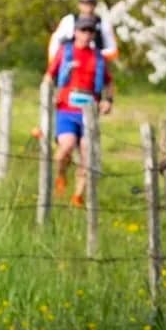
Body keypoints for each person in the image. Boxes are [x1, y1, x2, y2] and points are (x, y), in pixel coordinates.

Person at [46, 14, 113, 207]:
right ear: (75, 32)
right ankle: (60, 176)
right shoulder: (65, 53)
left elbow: (109, 83)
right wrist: (49, 95)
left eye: (91, 31)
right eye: (83, 30)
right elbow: (49, 75)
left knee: (86, 151)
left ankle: (78, 195)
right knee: (65, 146)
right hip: (66, 109)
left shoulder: (98, 58)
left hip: (88, 112)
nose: (87, 34)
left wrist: (108, 101)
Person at [47, 0, 119, 64]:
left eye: (91, 3)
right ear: (79, 4)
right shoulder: (69, 20)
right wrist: (56, 62)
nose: (88, 6)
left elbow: (113, 50)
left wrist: (93, 54)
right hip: (71, 64)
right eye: (85, 3)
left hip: (94, 65)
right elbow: (55, 41)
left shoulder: (103, 23)